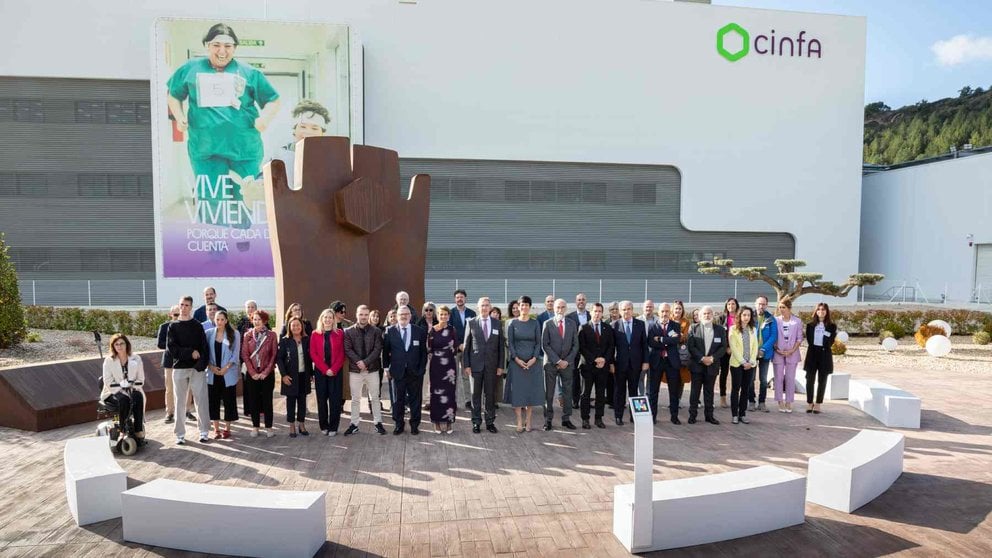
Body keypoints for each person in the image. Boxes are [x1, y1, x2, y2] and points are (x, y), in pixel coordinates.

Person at [167, 23, 281, 231]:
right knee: (210, 195)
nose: (222, 51)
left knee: (244, 194)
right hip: (205, 148)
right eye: (216, 45)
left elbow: (273, 99)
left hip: (244, 148)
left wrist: (265, 118)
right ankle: (216, 245)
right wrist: (179, 116)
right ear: (206, 45)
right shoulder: (189, 69)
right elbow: (173, 95)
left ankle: (241, 240)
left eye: (228, 46)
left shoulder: (250, 73)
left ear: (235, 48)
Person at [167, 296, 210, 444]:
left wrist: (200, 365)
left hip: (196, 369)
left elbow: (204, 348)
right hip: (179, 369)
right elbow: (172, 348)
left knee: (201, 400)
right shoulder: (173, 326)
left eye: (186, 305)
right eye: (181, 305)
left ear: (191, 307)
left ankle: (204, 431)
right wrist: (190, 352)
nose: (183, 307)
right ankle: (180, 434)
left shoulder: (197, 326)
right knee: (179, 401)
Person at [383, 306, 428, 435]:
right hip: (397, 372)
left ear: (410, 316)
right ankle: (399, 424)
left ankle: (415, 425)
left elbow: (423, 353)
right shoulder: (389, 331)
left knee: (415, 400)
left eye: (406, 314)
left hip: (415, 373)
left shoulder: (419, 331)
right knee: (398, 400)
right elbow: (386, 352)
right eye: (401, 314)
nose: (403, 316)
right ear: (397, 316)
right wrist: (386, 368)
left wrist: (422, 369)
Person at [464, 297, 505, 433]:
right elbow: (467, 346)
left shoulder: (497, 324)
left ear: (490, 307)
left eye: (487, 305)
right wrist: (467, 365)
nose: (484, 308)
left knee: (490, 395)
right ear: (478, 307)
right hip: (475, 366)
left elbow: (501, 347)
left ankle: (490, 422)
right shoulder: (471, 323)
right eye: (482, 305)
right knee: (475, 395)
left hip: (492, 366)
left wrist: (500, 366)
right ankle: (476, 422)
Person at [343, 305, 387, 436]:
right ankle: (354, 424)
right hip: (355, 371)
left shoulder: (376, 331)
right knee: (355, 399)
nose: (363, 317)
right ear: (357, 315)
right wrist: (359, 363)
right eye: (361, 314)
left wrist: (365, 362)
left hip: (372, 370)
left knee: (375, 397)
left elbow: (377, 349)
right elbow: (348, 349)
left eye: (366, 315)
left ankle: (378, 423)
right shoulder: (348, 332)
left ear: (369, 316)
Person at [269, 99, 331, 187]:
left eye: (314, 128)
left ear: (322, 134)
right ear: (294, 130)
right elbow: (264, 178)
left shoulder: (330, 157)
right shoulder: (279, 155)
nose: (308, 132)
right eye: (303, 126)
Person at [505, 296, 544, 432]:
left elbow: (539, 342)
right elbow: (510, 344)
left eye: (527, 305)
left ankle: (528, 421)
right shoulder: (512, 323)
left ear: (529, 307)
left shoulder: (535, 323)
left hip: (533, 363)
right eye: (522, 305)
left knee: (530, 392)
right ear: (518, 306)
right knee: (518, 392)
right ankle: (519, 421)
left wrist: (534, 358)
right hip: (517, 363)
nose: (524, 307)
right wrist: (516, 359)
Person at [541, 298, 579, 431]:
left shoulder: (572, 323)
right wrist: (557, 360)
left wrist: (566, 361)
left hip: (567, 365)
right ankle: (548, 420)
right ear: (554, 308)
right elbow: (545, 344)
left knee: (568, 392)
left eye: (563, 307)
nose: (560, 310)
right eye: (558, 307)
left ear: (566, 308)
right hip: (551, 364)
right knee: (549, 393)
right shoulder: (547, 323)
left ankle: (566, 419)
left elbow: (575, 345)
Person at [101, 333, 146, 444]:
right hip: (113, 391)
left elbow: (141, 378)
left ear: (127, 344)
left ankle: (138, 429)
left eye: (122, 343)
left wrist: (132, 386)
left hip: (132, 388)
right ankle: (123, 430)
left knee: (138, 397)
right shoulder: (109, 360)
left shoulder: (136, 358)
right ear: (113, 346)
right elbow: (107, 381)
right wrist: (120, 388)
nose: (119, 346)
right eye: (116, 344)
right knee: (124, 399)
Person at [687, 306, 727, 425]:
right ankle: (692, 415)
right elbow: (691, 346)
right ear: (700, 316)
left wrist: (712, 358)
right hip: (697, 365)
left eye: (709, 313)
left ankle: (709, 416)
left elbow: (723, 347)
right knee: (695, 392)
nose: (707, 315)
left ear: (713, 315)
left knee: (709, 392)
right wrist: (702, 358)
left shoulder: (720, 329)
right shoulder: (693, 328)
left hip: (712, 365)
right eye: (704, 314)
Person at [611, 301, 649, 425]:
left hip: (636, 364)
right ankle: (618, 416)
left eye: (628, 309)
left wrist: (645, 361)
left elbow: (644, 344)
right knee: (619, 391)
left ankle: (635, 416)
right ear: (620, 311)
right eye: (623, 309)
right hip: (620, 364)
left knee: (634, 391)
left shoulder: (640, 324)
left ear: (632, 310)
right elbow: (611, 347)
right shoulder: (614, 325)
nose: (626, 312)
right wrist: (611, 363)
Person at [578, 302, 614, 429]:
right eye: (595, 311)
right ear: (591, 312)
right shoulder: (584, 327)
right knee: (585, 394)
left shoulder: (607, 328)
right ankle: (585, 419)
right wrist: (594, 359)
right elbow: (582, 347)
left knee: (600, 394)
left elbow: (611, 346)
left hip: (602, 367)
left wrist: (604, 359)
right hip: (588, 367)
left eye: (599, 311)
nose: (597, 313)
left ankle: (599, 418)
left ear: (602, 313)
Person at [242, 309, 278, 437]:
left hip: (267, 374)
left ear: (265, 321)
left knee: (267, 401)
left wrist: (265, 372)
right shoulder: (247, 335)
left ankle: (269, 427)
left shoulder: (272, 335)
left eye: (259, 319)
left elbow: (274, 355)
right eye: (255, 319)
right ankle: (255, 427)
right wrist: (252, 372)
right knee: (253, 400)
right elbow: (245, 355)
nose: (257, 322)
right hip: (252, 374)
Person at [310, 309, 345, 435]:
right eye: (325, 317)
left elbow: (342, 353)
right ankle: (323, 426)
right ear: (321, 319)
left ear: (334, 319)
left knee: (335, 400)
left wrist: (333, 369)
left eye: (330, 317)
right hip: (321, 372)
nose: (328, 319)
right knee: (322, 399)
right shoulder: (315, 334)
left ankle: (333, 427)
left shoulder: (340, 333)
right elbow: (313, 354)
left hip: (336, 372)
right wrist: (325, 370)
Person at [206, 310, 240, 439]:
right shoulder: (208, 334)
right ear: (214, 320)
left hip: (228, 373)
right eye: (217, 319)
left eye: (222, 319)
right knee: (213, 402)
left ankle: (227, 428)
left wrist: (227, 367)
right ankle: (216, 429)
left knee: (229, 401)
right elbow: (206, 353)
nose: (219, 322)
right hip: (213, 373)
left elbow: (235, 354)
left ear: (226, 320)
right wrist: (211, 366)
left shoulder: (234, 334)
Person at [647, 303, 682, 425]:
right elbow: (651, 343)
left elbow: (676, 340)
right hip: (656, 361)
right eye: (662, 311)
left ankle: (674, 416)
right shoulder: (652, 326)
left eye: (667, 311)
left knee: (673, 391)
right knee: (653, 391)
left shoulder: (676, 325)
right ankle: (652, 416)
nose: (665, 313)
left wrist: (661, 339)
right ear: (658, 312)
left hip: (671, 362)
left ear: (670, 312)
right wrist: (668, 341)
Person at [278, 316, 313, 438]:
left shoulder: (307, 339)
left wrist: (311, 374)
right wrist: (283, 375)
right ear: (289, 327)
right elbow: (279, 359)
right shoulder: (285, 340)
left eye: (298, 325)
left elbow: (309, 359)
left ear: (302, 326)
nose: (296, 327)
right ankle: (292, 425)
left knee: (302, 402)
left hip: (304, 376)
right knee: (291, 402)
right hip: (290, 377)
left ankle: (301, 424)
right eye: (293, 325)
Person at [427, 305, 459, 433]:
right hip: (436, 365)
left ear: (449, 316)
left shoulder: (452, 330)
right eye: (441, 314)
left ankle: (449, 421)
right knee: (436, 393)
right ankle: (436, 422)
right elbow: (429, 349)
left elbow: (455, 347)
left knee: (450, 394)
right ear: (437, 315)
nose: (443, 316)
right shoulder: (432, 330)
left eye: (446, 314)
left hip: (449, 366)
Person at [156, 305, 190, 424]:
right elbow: (159, 344)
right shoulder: (164, 327)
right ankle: (170, 412)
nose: (177, 316)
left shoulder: (186, 326)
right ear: (170, 315)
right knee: (170, 388)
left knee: (186, 388)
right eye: (175, 314)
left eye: (179, 314)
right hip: (170, 361)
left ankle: (187, 411)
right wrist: (172, 343)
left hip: (184, 361)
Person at [804, 302, 837, 414]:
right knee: (810, 380)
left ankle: (818, 403)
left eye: (823, 309)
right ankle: (809, 402)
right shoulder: (810, 325)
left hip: (824, 354)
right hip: (812, 353)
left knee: (822, 380)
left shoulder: (832, 326)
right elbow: (809, 340)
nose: (821, 311)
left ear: (826, 312)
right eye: (819, 309)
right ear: (816, 311)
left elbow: (830, 342)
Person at [729, 306, 758, 425]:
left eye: (748, 315)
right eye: (744, 315)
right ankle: (735, 415)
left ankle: (743, 413)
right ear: (740, 316)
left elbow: (755, 346)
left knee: (746, 389)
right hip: (737, 364)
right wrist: (742, 362)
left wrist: (751, 361)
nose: (746, 317)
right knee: (736, 389)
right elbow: (733, 347)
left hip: (750, 365)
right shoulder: (733, 329)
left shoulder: (753, 330)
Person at [773, 299, 804, 413]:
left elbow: (799, 338)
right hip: (778, 353)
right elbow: (773, 336)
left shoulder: (797, 321)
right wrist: (777, 349)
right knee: (779, 378)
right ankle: (780, 401)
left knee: (790, 378)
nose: (781, 309)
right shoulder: (775, 321)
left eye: (783, 307)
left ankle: (789, 402)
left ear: (789, 308)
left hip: (792, 353)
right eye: (780, 307)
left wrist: (792, 350)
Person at [748, 295, 778, 412]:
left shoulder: (771, 318)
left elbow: (773, 336)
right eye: (759, 304)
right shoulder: (749, 317)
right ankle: (751, 401)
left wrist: (763, 349)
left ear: (766, 305)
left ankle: (762, 402)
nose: (761, 306)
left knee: (763, 379)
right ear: (755, 304)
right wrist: (753, 349)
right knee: (750, 379)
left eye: (763, 304)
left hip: (765, 353)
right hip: (751, 353)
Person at [449, 289, 476, 412]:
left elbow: (475, 332)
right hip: (454, 350)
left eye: (462, 297)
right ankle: (452, 401)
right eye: (457, 297)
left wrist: (467, 344)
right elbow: (449, 331)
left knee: (467, 376)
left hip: (468, 350)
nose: (459, 299)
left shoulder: (472, 313)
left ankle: (468, 401)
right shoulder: (450, 313)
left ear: (465, 299)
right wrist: (458, 344)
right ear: (455, 299)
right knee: (453, 377)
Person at [565, 293, 591, 409]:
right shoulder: (569, 317)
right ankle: (575, 400)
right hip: (574, 352)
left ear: (586, 302)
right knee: (575, 377)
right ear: (576, 302)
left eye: (583, 300)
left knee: (587, 377)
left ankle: (586, 400)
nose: (581, 301)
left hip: (588, 352)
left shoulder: (591, 315)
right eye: (579, 300)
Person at [717, 297, 739, 409]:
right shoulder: (722, 318)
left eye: (733, 304)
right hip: (725, 351)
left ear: (736, 305)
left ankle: (735, 398)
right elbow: (720, 334)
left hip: (737, 351)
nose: (731, 306)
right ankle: (722, 397)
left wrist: (734, 348)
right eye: (729, 304)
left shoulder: (740, 317)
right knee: (724, 374)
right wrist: (726, 347)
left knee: (736, 374)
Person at [671, 300, 691, 409]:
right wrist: (678, 336)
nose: (678, 310)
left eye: (679, 308)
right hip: (670, 353)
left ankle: (678, 400)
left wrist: (677, 336)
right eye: (676, 308)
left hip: (682, 354)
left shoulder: (686, 322)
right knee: (671, 377)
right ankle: (672, 400)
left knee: (681, 378)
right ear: (672, 310)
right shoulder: (669, 321)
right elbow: (667, 335)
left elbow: (686, 337)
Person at [638, 300, 659, 396]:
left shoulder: (659, 320)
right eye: (646, 306)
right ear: (643, 308)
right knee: (640, 378)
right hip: (641, 355)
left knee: (652, 378)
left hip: (655, 355)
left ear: (653, 308)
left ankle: (649, 398)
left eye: (650, 307)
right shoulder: (637, 321)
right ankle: (640, 398)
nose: (648, 309)